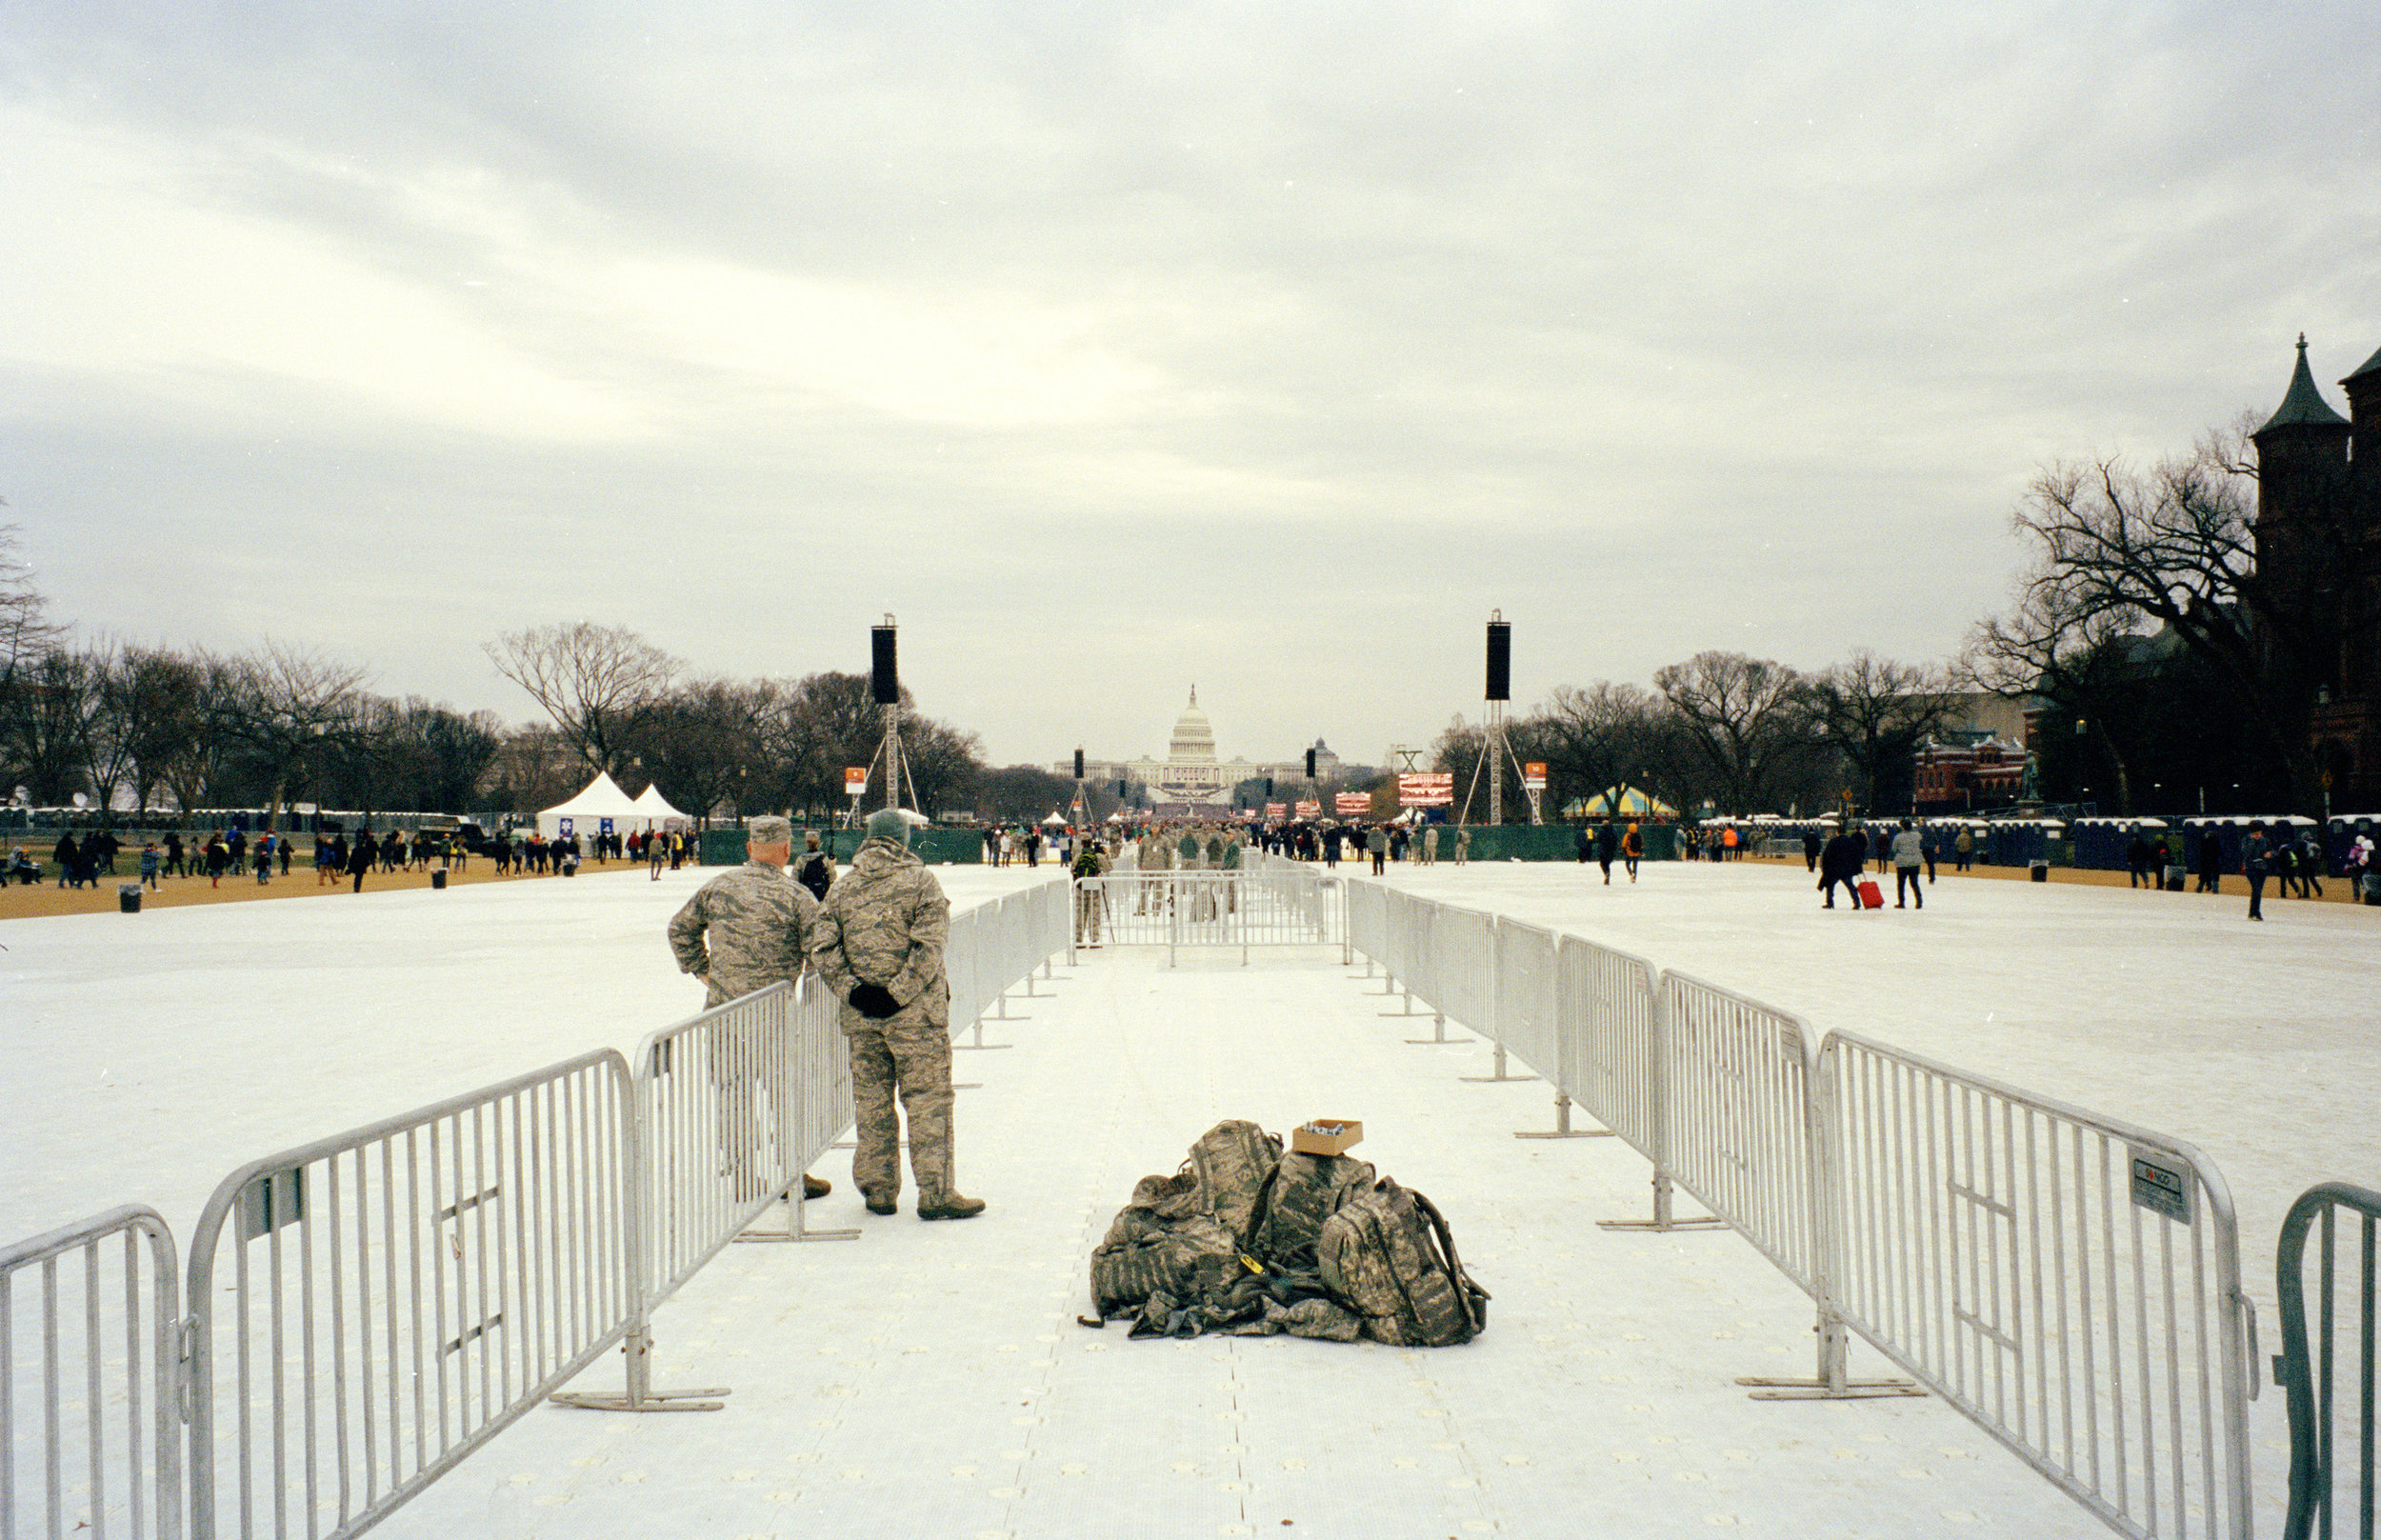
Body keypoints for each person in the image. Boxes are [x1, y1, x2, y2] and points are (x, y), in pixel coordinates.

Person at [810, 809, 981, 1221]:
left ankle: (879, 1189)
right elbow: (928, 947)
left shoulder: (843, 889)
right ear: (902, 840)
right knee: (927, 1101)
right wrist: (897, 994)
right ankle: (936, 1192)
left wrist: (855, 991)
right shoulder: (922, 882)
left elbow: (823, 949)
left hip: (862, 1017)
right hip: (916, 1018)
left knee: (872, 1102)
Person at [668, 815, 831, 1203]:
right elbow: (821, 951)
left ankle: (743, 1177)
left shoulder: (719, 887)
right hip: (774, 1013)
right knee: (785, 1093)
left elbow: (679, 929)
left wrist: (703, 970)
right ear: (788, 849)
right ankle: (793, 1174)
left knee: (732, 1093)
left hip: (724, 1010)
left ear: (749, 848)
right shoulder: (797, 897)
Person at [1071, 836, 1110, 945]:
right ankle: (1094, 939)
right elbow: (1108, 868)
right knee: (1094, 913)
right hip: (1094, 887)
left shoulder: (1078, 856)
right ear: (1092, 844)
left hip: (1080, 887)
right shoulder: (1097, 856)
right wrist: (1107, 854)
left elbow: (1072, 869)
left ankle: (1078, 939)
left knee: (1080, 913)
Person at [1818, 826, 1865, 911]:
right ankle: (1857, 902)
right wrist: (1858, 868)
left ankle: (1830, 903)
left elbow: (1827, 855)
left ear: (1837, 832)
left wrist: (1825, 868)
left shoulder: (1833, 841)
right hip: (1847, 869)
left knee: (1830, 886)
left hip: (1835, 869)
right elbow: (1857, 855)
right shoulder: (1851, 842)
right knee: (1850, 886)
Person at [1891, 818, 1925, 909]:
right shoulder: (1918, 835)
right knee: (1914, 883)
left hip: (1902, 862)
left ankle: (1901, 902)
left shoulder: (1898, 837)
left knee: (1901, 883)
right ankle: (1919, 901)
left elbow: (1894, 849)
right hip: (1915, 861)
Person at [2241, 820, 2271, 921]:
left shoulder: (2265, 840)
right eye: (2255, 834)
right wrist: (2253, 842)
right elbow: (2246, 853)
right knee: (2256, 889)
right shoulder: (2246, 840)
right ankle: (2257, 913)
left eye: (2259, 833)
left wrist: (2270, 854)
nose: (2257, 835)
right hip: (2250, 867)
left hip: (2262, 867)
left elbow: (2271, 850)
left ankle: (2252, 912)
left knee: (2257, 891)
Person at [796, 830, 836, 901]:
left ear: (806, 843)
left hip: (806, 896)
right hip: (821, 895)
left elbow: (795, 879)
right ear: (818, 843)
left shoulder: (801, 859)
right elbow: (833, 876)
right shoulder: (824, 858)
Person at [2195, 828, 2224, 894]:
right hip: (2214, 861)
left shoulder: (2204, 842)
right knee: (2215, 876)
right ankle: (2215, 890)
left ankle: (2199, 889)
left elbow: (2200, 853)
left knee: (2203, 876)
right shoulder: (2217, 842)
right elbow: (2220, 852)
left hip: (2205, 861)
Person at [1593, 820, 1617, 885]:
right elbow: (1616, 840)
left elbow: (1598, 839)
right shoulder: (1613, 830)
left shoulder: (1602, 831)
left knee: (1602, 863)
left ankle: (1606, 873)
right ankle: (1607, 876)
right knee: (1607, 864)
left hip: (1603, 849)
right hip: (1611, 850)